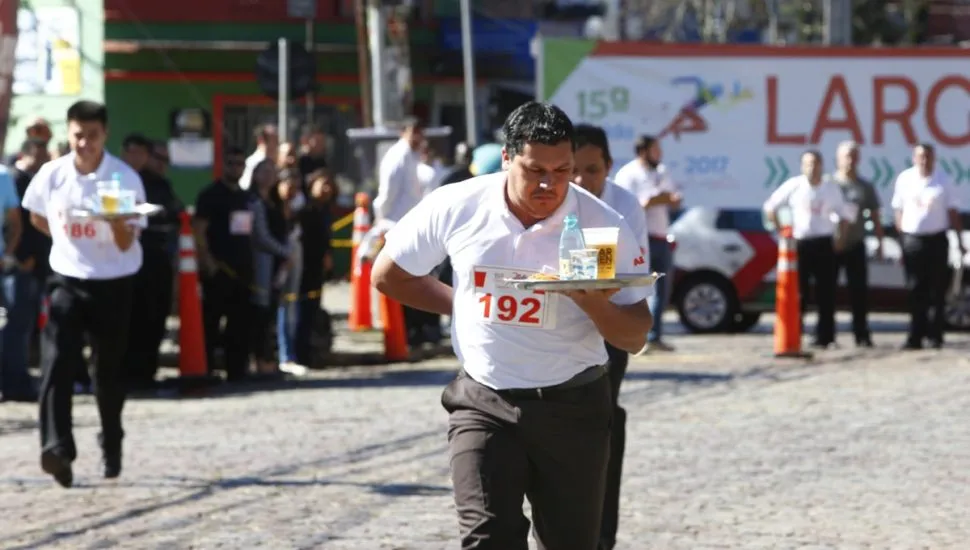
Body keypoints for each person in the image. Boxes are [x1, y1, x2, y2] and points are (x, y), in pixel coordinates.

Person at [372, 101, 653, 549]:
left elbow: (635, 334)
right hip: (484, 400)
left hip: (573, 405)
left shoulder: (598, 225)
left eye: (562, 171)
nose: (549, 184)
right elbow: (389, 275)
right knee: (487, 539)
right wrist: (464, 306)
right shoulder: (458, 204)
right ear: (506, 158)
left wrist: (594, 305)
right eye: (535, 170)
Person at [22, 100, 147, 487]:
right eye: (78, 135)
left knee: (106, 372)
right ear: (69, 133)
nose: (84, 144)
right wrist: (65, 241)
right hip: (67, 278)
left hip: (114, 279)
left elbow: (126, 243)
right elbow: (36, 215)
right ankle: (57, 449)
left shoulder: (123, 178)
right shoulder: (53, 174)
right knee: (57, 361)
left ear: (104, 134)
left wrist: (115, 222)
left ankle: (112, 440)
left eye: (92, 136)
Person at [571, 124, 649, 550]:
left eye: (592, 170)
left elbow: (630, 284)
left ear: (608, 167)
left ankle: (601, 535)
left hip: (608, 330)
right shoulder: (550, 200)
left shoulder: (622, 208)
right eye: (574, 170)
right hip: (553, 334)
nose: (582, 180)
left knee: (601, 423)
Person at [764, 151, 853, 349]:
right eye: (808, 164)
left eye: (815, 163)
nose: (812, 168)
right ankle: (795, 333)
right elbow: (771, 207)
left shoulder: (830, 188)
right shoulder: (794, 185)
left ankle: (826, 336)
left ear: (821, 165)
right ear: (802, 166)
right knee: (799, 292)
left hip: (824, 243)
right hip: (800, 244)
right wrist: (781, 231)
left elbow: (844, 214)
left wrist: (841, 238)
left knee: (826, 293)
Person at [373, 118, 441, 346]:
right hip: (395, 224)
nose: (418, 136)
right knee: (403, 278)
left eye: (421, 131)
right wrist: (381, 220)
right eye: (414, 131)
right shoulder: (397, 156)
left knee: (417, 277)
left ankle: (417, 329)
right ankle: (407, 332)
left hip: (411, 225)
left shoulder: (412, 156)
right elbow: (387, 193)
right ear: (403, 132)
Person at [122, 138, 183, 390]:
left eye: (166, 160)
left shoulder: (162, 184)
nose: (162, 164)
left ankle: (147, 372)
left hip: (159, 256)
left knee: (157, 314)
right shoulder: (125, 180)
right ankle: (128, 374)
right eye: (158, 158)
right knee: (133, 316)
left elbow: (175, 212)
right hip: (131, 257)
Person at [892, 143, 964, 350]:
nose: (924, 161)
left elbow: (952, 212)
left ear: (934, 158)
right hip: (912, 240)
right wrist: (902, 237)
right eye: (921, 156)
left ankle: (935, 336)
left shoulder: (943, 180)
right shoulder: (905, 179)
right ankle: (915, 336)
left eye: (928, 157)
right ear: (914, 158)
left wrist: (959, 239)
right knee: (915, 288)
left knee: (937, 290)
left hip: (936, 240)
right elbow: (898, 209)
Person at [613, 135, 681, 351]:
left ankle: (654, 336)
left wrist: (669, 199)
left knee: (662, 289)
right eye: (655, 149)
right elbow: (627, 207)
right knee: (637, 288)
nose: (659, 154)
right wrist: (654, 200)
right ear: (643, 151)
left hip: (661, 236)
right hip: (639, 238)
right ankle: (634, 337)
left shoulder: (662, 171)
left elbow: (673, 199)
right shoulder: (628, 174)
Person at [193, 147, 252, 382]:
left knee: (240, 324)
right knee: (211, 322)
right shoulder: (210, 195)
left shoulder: (245, 197)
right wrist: (208, 263)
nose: (235, 168)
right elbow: (199, 231)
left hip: (242, 270)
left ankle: (237, 371)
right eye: (231, 163)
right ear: (222, 165)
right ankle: (206, 369)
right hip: (217, 268)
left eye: (240, 164)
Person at [3, 139, 50, 403]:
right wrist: (18, 257)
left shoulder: (14, 178)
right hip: (17, 265)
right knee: (16, 325)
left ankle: (16, 380)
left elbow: (20, 223)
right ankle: (14, 381)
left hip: (23, 265)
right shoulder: (12, 177)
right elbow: (16, 223)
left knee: (20, 324)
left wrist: (16, 256)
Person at [280, 168, 333, 368]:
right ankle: (296, 353)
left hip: (316, 268)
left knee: (311, 311)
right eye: (323, 184)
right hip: (303, 267)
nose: (327, 189)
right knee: (298, 309)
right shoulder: (306, 210)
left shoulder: (323, 210)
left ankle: (307, 353)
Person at [832, 141, 882, 347]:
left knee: (859, 292)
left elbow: (875, 215)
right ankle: (826, 334)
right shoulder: (829, 184)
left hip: (855, 243)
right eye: (846, 156)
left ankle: (861, 334)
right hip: (831, 245)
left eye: (853, 156)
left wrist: (879, 241)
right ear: (838, 159)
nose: (850, 160)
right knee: (828, 292)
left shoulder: (864, 186)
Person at [248, 161, 291, 377]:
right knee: (260, 313)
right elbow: (260, 236)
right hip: (262, 262)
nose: (268, 176)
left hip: (278, 263)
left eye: (272, 172)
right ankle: (259, 360)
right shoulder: (253, 201)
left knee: (273, 310)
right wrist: (284, 251)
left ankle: (270, 358)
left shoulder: (275, 202)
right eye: (264, 171)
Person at [240, 124, 279, 191]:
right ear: (261, 140)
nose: (277, 144)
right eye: (274, 140)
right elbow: (245, 186)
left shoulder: (275, 161)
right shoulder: (252, 162)